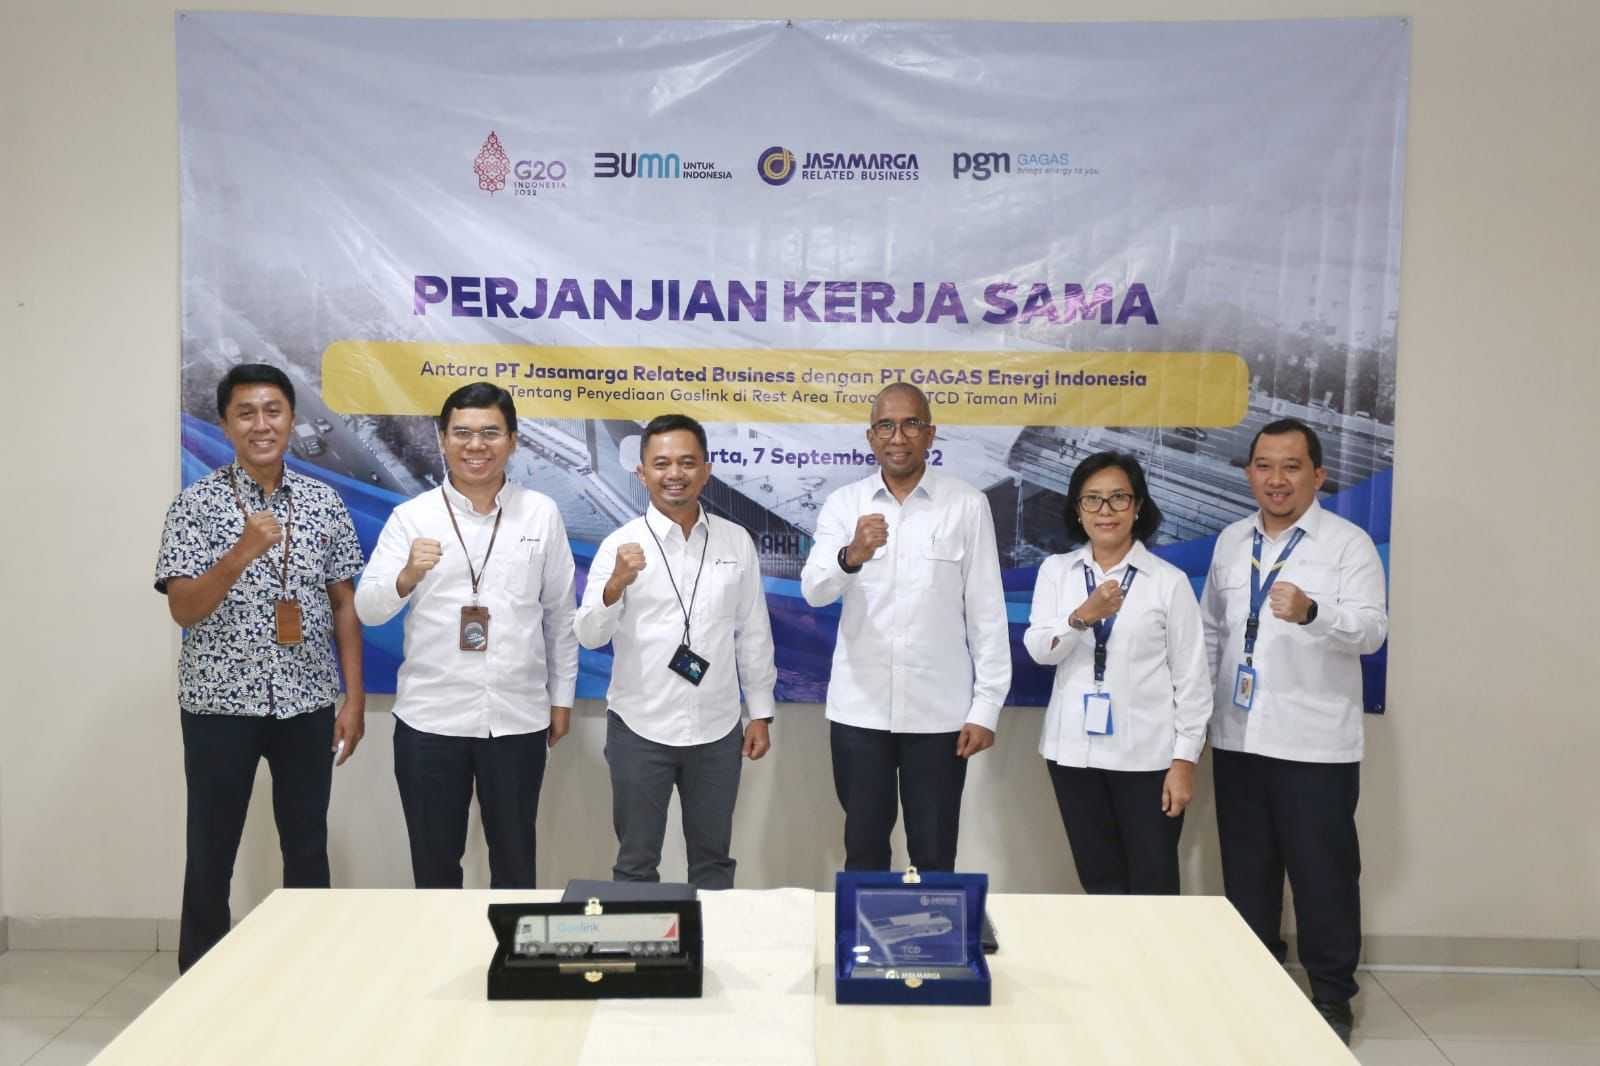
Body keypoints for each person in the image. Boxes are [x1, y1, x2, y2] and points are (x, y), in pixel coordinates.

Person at [155, 363, 365, 973]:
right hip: (219, 704)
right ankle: (200, 981)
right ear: (225, 425)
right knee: (211, 849)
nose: (261, 424)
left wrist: (353, 700)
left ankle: (308, 972)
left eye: (273, 411)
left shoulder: (323, 502)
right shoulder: (195, 505)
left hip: (306, 700)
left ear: (292, 420)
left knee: (307, 845)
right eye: (245, 413)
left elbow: (344, 604)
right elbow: (183, 608)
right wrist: (241, 553)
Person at [1200, 417, 1388, 1045]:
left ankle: (1332, 998)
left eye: (1291, 466)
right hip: (1238, 738)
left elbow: (1372, 631)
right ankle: (1256, 988)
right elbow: (1211, 634)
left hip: (1315, 745)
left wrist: (1313, 612)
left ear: (1318, 475)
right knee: (1247, 877)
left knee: (1323, 877)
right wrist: (1198, 719)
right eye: (1264, 466)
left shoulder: (1348, 545)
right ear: (1249, 472)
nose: (1276, 479)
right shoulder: (1231, 542)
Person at [355, 383, 577, 889]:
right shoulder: (412, 517)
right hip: (430, 719)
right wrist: (406, 576)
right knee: (434, 869)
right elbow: (368, 609)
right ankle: (441, 945)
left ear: (513, 441)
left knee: (516, 866)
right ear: (442, 439)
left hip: (517, 718)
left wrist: (561, 700)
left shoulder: (540, 513)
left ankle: (509, 946)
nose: (476, 445)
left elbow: (560, 615)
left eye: (490, 433)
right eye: (463, 433)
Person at [800, 383, 1010, 872]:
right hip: (860, 711)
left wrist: (986, 708)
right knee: (864, 850)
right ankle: (868, 928)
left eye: (912, 424)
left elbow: (986, 611)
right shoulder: (844, 504)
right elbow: (814, 590)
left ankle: (931, 926)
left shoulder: (966, 504)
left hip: (939, 715)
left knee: (934, 855)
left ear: (930, 434)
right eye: (887, 426)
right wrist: (851, 555)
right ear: (871, 437)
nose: (899, 437)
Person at [575, 414, 775, 889]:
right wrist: (614, 585)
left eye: (687, 462)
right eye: (661, 463)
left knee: (713, 864)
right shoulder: (619, 545)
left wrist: (760, 713)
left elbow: (752, 631)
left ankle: (711, 940)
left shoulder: (735, 541)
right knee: (635, 864)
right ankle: (643, 941)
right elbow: (588, 635)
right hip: (640, 727)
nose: (675, 474)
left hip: (717, 728)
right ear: (642, 473)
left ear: (706, 471)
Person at [1023, 452, 1210, 895]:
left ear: (1138, 506)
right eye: (1092, 499)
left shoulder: (1167, 581)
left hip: (1147, 758)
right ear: (1077, 509)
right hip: (1073, 754)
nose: (1105, 511)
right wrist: (1081, 617)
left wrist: (1184, 762)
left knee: (1153, 883)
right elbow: (1040, 652)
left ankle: (1156, 948)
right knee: (1100, 883)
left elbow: (1193, 680)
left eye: (1118, 498)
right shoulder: (1056, 571)